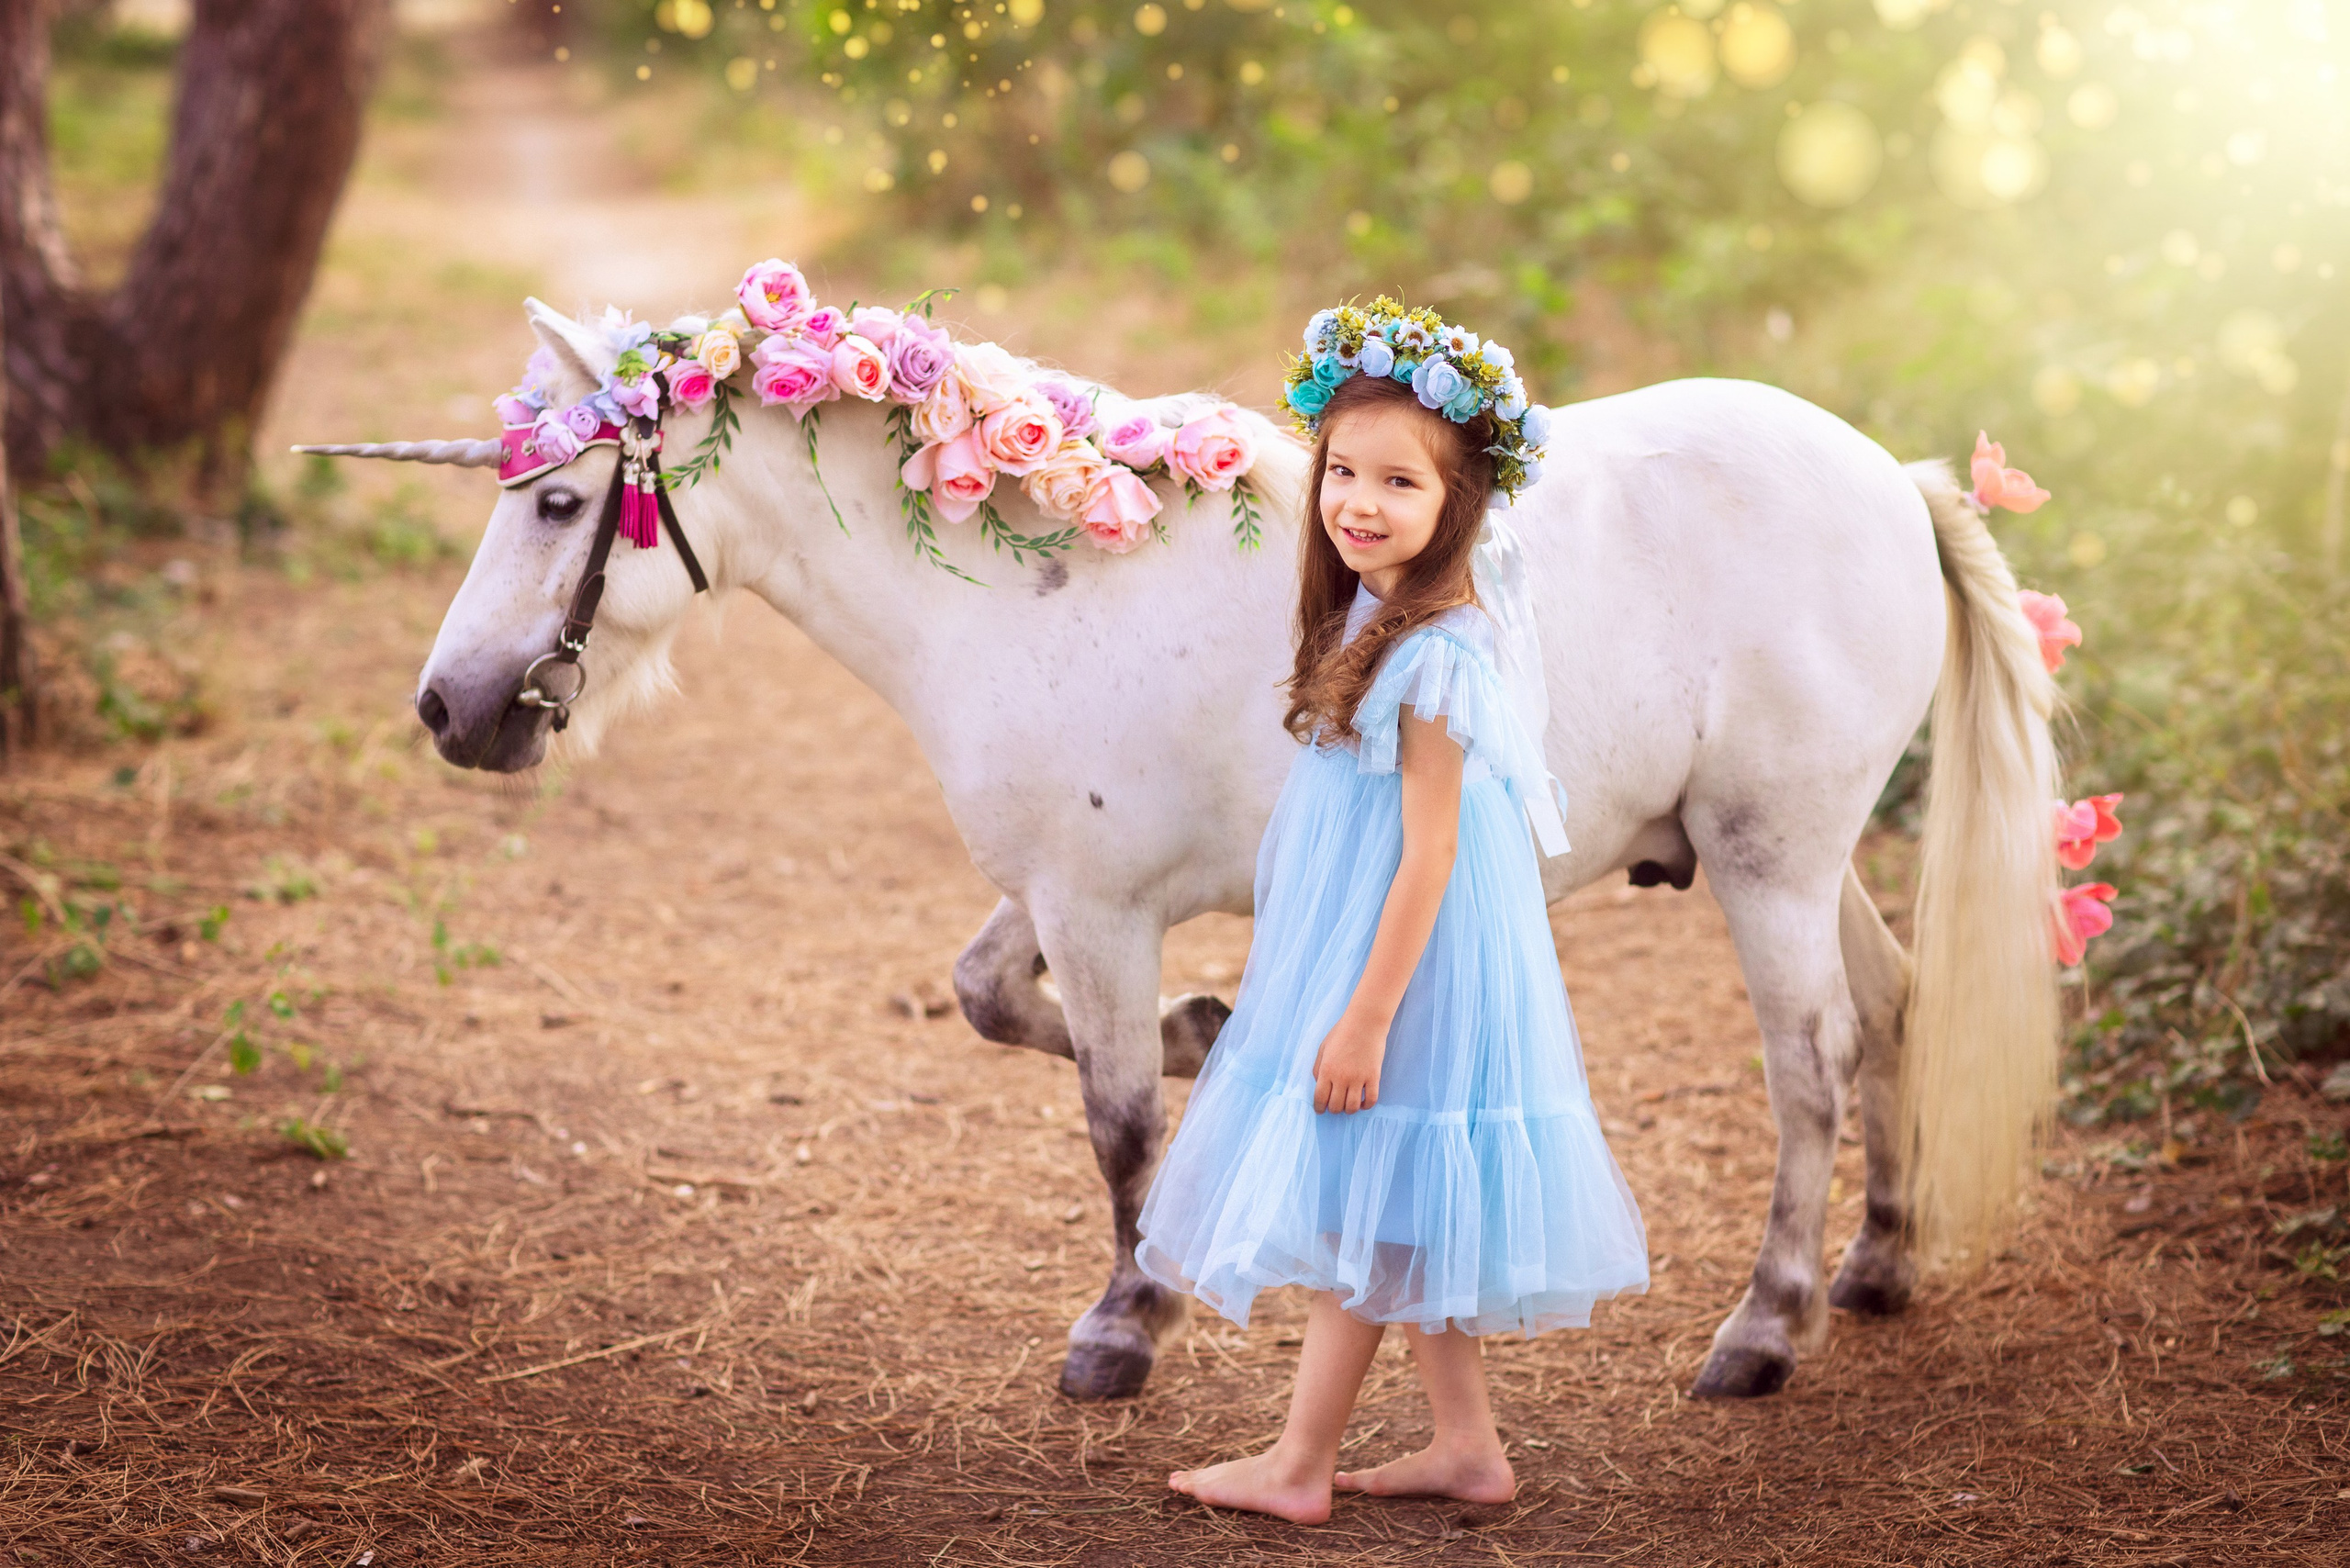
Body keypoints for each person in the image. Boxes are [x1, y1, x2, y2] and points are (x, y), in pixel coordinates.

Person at [1134, 301, 1649, 1524]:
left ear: (1460, 504)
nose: (1359, 502)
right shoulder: (1379, 610)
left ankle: (1300, 1462)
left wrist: (1363, 1015)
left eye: (1400, 483)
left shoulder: (1440, 655)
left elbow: (1429, 857)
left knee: (1368, 1185)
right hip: (1373, 939)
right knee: (1400, 1201)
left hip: (1407, 957)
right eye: (1344, 473)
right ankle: (1468, 1450)